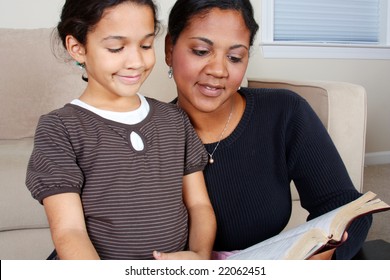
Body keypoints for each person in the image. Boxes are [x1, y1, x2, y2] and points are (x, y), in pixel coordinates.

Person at [163, 0, 372, 260]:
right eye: (201, 51)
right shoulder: (148, 135)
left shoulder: (284, 112)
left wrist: (324, 258)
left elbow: (346, 207)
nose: (218, 70)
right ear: (170, 49)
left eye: (235, 57)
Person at [25, 0, 216, 260]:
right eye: (116, 48)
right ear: (77, 48)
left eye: (146, 45)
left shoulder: (174, 119)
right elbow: (70, 232)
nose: (136, 61)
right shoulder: (60, 128)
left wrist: (199, 256)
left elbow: (199, 204)